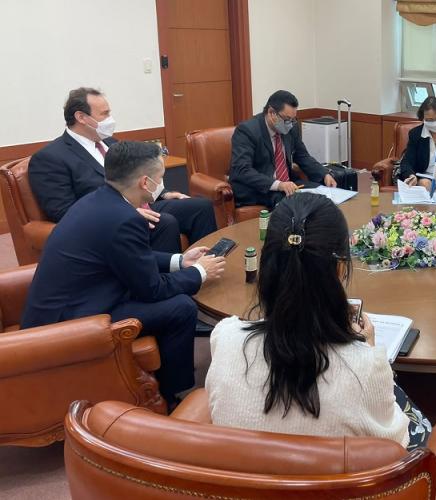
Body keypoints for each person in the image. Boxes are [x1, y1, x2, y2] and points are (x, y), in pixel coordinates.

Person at [205, 193, 431, 450]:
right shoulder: (366, 367)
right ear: (340, 270)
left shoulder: (224, 338)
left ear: (266, 266)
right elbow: (395, 447)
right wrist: (368, 350)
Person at [21, 141, 226, 406]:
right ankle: (176, 393)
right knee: (181, 307)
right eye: (160, 178)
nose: (162, 184)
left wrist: (180, 261)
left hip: (70, 302)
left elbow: (127, 256)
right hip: (73, 321)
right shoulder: (123, 218)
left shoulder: (101, 201)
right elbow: (153, 290)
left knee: (174, 300)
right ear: (145, 182)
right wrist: (199, 273)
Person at [28, 87, 217, 254]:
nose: (110, 119)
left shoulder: (111, 143)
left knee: (200, 207)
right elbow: (63, 211)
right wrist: (123, 213)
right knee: (165, 222)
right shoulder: (50, 158)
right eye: (104, 114)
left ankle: (208, 266)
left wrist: (164, 194)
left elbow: (138, 175)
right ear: (81, 117)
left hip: (140, 206)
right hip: (106, 220)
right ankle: (168, 283)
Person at [229, 90, 337, 210]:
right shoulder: (247, 131)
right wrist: (278, 185)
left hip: (287, 183)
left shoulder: (291, 128)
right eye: (286, 119)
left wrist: (324, 173)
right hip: (258, 188)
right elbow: (242, 170)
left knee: (321, 194)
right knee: (290, 201)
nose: (290, 124)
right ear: (271, 113)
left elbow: (302, 157)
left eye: (293, 120)